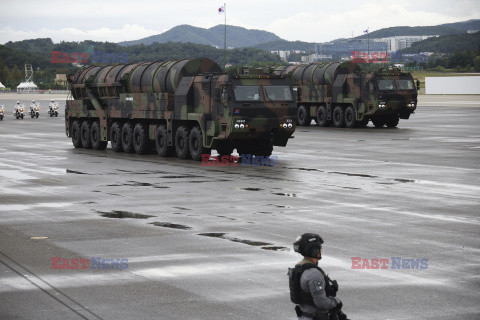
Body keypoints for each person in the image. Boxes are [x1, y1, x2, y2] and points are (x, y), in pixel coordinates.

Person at [288, 233, 348, 320]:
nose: (321, 251)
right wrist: (336, 302)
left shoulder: (299, 268)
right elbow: (321, 303)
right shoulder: (314, 274)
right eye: (319, 248)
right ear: (313, 250)